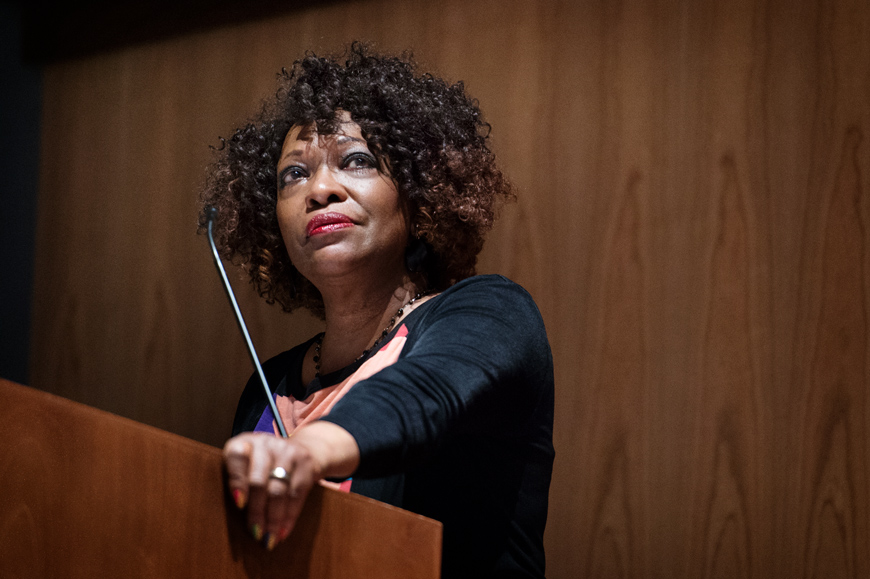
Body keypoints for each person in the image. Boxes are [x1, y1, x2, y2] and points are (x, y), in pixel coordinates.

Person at [200, 42, 554, 578]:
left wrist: (311, 449)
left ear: (417, 193)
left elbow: (422, 395)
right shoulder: (268, 385)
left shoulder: (491, 313)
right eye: (293, 175)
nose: (319, 190)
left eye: (357, 161)